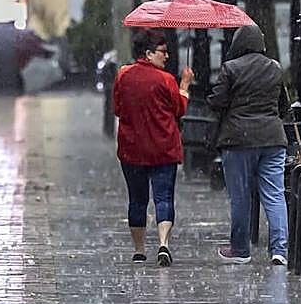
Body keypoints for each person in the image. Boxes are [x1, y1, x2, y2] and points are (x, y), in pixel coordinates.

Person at [208, 23, 290, 265]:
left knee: (240, 196)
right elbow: (283, 106)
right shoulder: (274, 68)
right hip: (273, 139)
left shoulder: (231, 68)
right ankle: (279, 250)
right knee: (275, 195)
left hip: (238, 140)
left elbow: (217, 102)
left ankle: (241, 249)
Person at [112, 29, 194, 266]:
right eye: (162, 52)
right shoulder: (166, 80)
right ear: (148, 53)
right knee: (163, 198)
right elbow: (179, 109)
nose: (166, 56)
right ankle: (163, 244)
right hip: (163, 149)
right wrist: (185, 84)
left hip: (132, 149)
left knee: (137, 200)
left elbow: (118, 109)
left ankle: (139, 250)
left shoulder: (123, 76)